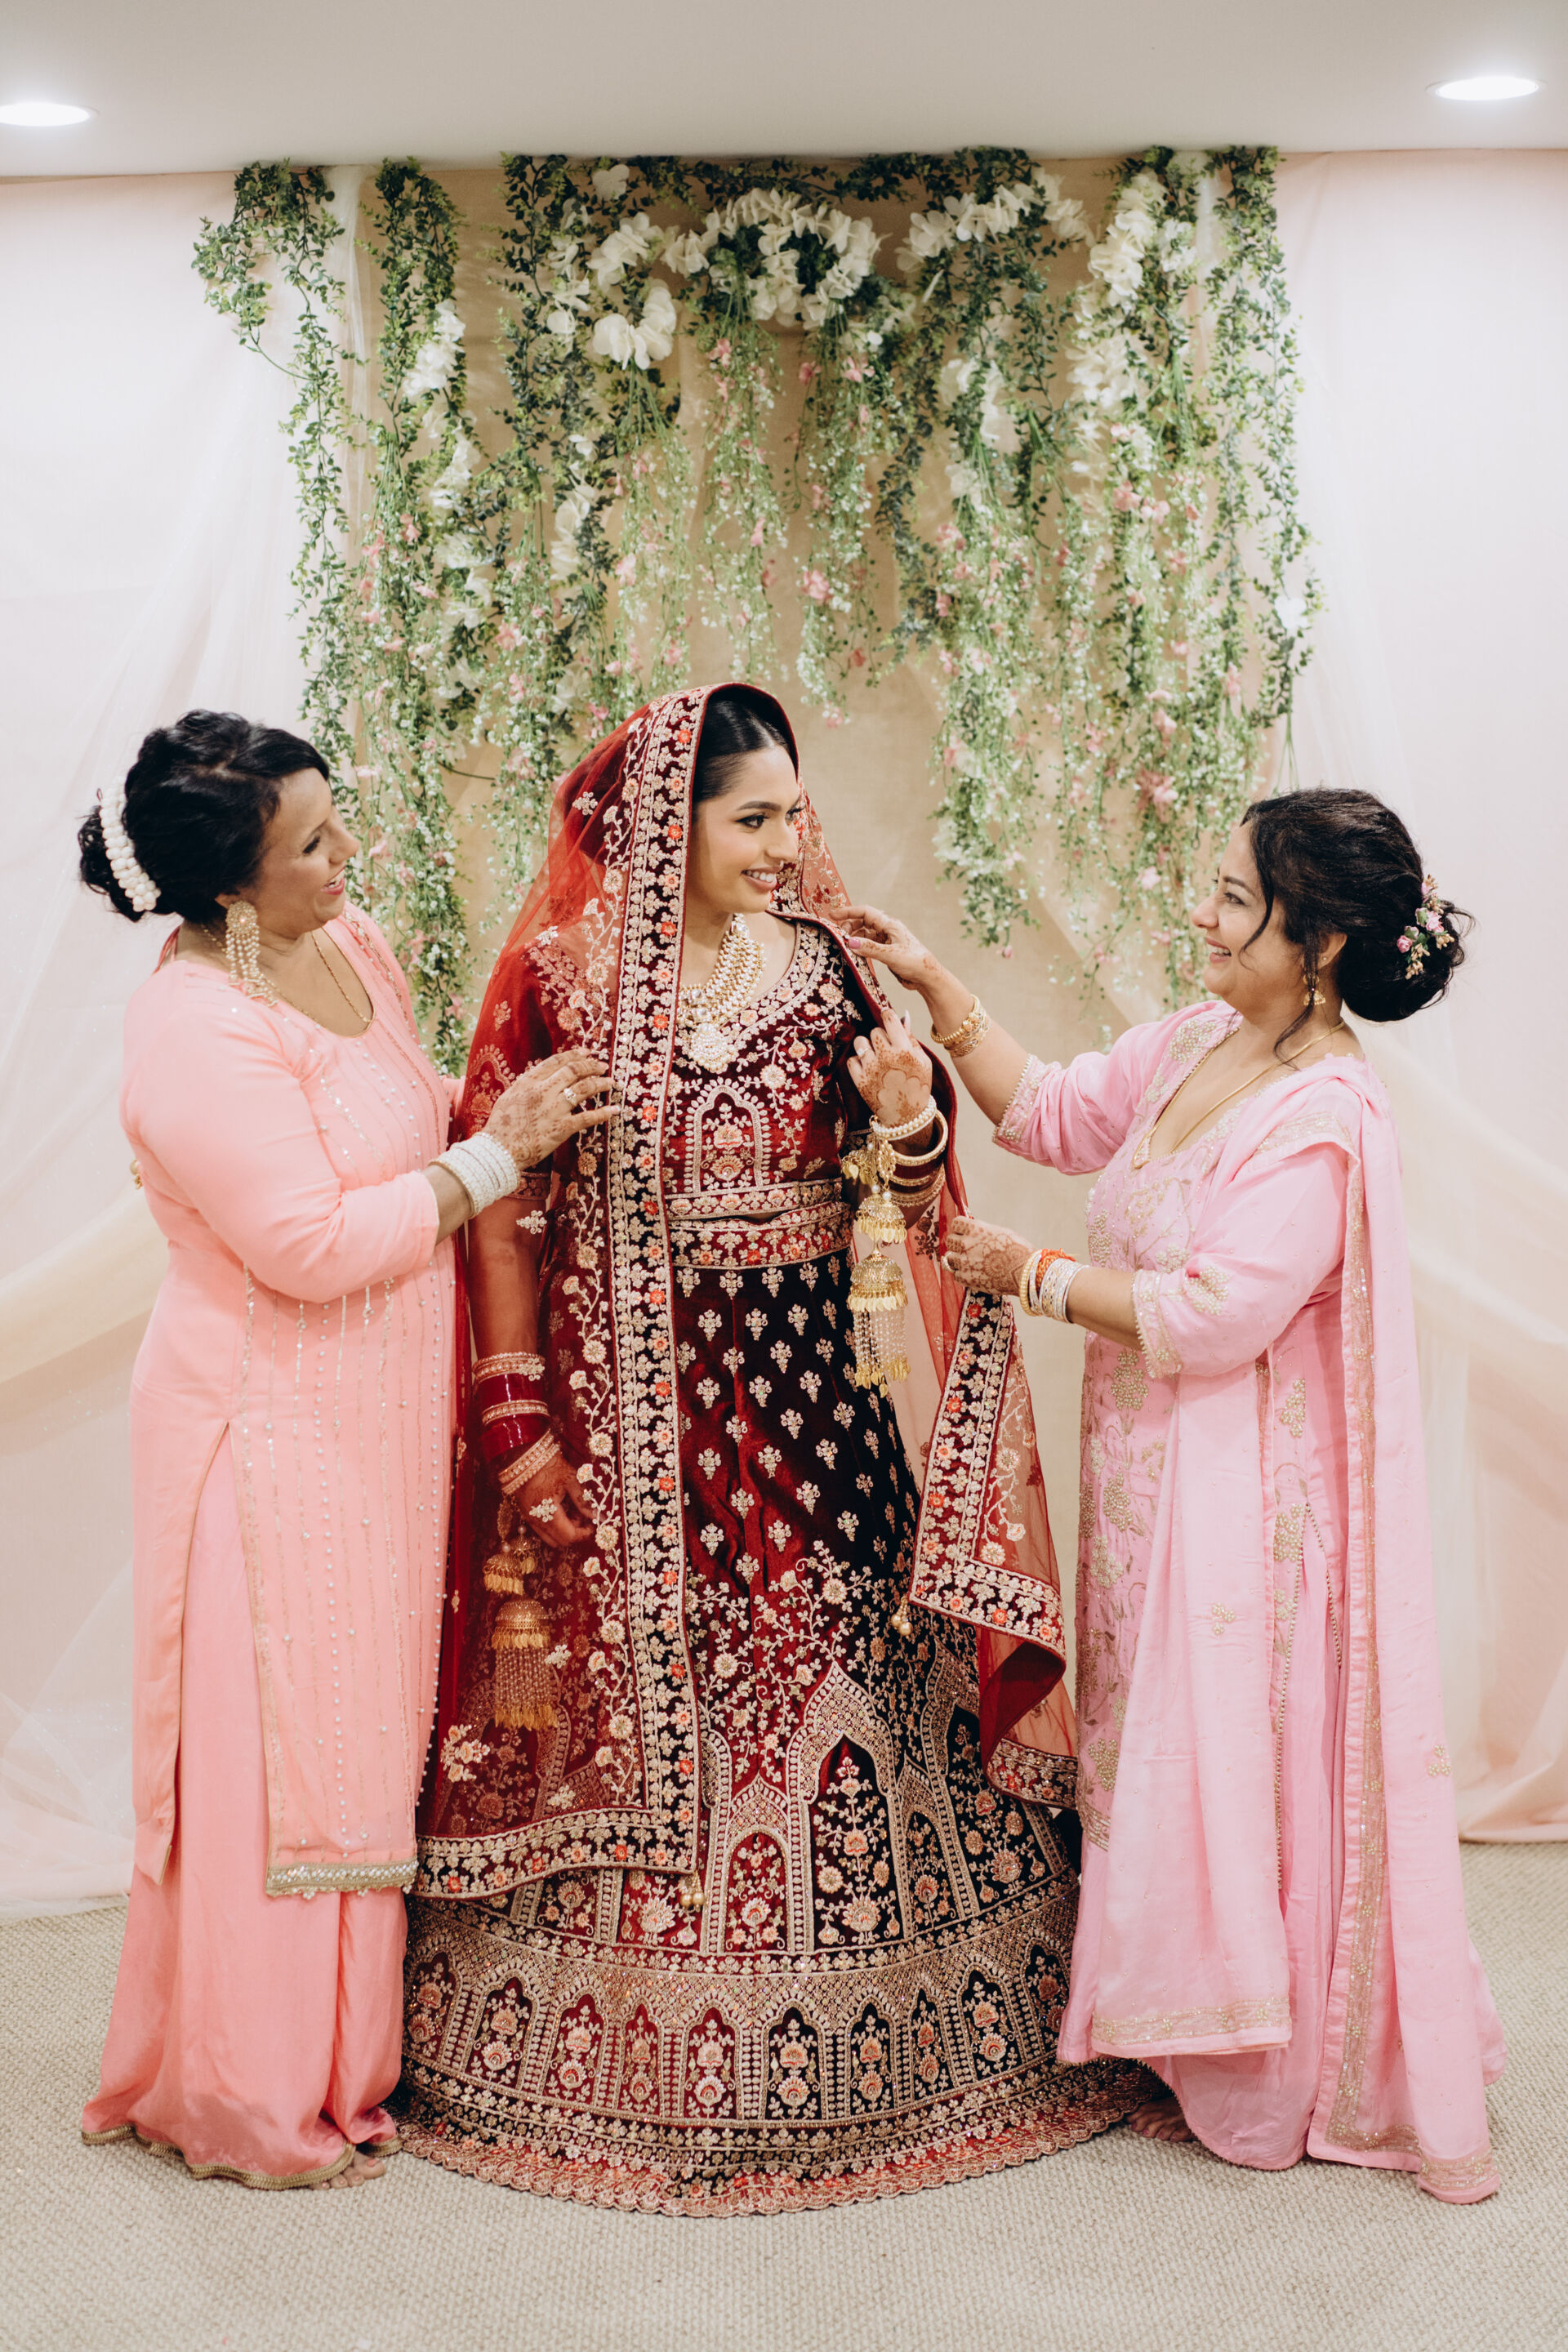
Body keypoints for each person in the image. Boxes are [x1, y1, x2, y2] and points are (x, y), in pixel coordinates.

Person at [399, 684, 1140, 2214]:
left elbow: (905, 1182)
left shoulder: (827, 968)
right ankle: (626, 2058)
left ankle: (912, 2039)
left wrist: (909, 1122)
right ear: (668, 822)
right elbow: (506, 1202)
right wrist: (516, 1406)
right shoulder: (562, 977)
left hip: (815, 1392)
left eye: (795, 813)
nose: (789, 842)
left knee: (839, 1652)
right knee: (642, 1668)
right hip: (639, 1397)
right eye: (754, 818)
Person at [839, 786, 1507, 2203]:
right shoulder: (1204, 1037)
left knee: (1229, 1746)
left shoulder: (1322, 1120)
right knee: (1154, 1731)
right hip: (1154, 1470)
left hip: (1246, 1500)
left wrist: (1028, 1276)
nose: (1200, 915)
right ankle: (1174, 2018)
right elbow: (1054, 1110)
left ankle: (1263, 2064)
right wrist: (940, 989)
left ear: (1318, 942)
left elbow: (1216, 1314)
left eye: (1234, 900)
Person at [75, 710, 613, 2189]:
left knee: (363, 1737)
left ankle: (347, 2065)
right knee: (279, 1753)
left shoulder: (347, 943)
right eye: (311, 845)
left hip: (374, 1411)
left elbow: (409, 1118)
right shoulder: (194, 1030)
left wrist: (509, 1110)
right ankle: (246, 2094)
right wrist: (495, 1156)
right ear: (228, 885)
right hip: (261, 1434)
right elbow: (306, 1244)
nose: (347, 857)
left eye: (334, 821)